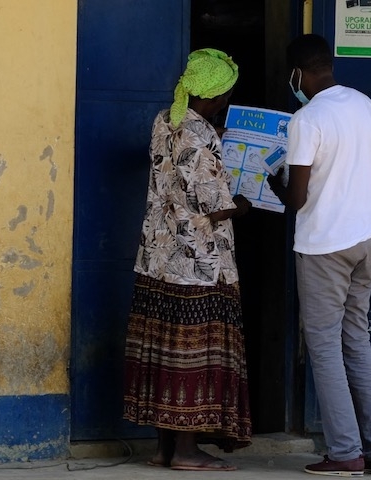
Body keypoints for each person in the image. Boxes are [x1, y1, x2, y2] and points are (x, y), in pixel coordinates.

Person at [267, 34, 371, 477]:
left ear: (297, 73)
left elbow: (297, 198)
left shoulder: (307, 119)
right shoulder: (364, 104)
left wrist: (273, 183)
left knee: (323, 347)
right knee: (356, 340)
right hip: (367, 237)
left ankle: (345, 453)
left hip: (325, 244)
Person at [123, 48, 253, 472]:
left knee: (163, 349)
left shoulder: (165, 120)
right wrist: (245, 205)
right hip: (197, 264)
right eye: (225, 95)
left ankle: (164, 449)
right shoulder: (201, 136)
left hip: (158, 256)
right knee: (191, 353)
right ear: (213, 95)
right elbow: (215, 206)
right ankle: (186, 451)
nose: (226, 102)